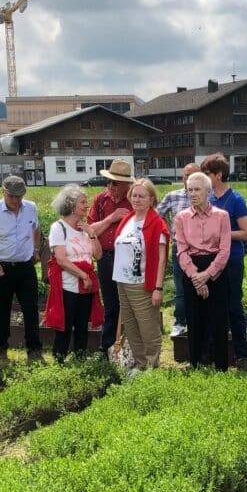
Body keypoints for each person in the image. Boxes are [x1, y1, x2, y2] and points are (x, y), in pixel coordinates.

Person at [201, 153, 247, 370]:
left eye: (207, 174)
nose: (203, 178)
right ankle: (212, 353)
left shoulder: (236, 200)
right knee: (212, 307)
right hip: (211, 261)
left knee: (234, 307)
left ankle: (241, 355)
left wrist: (222, 234)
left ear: (219, 174)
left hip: (231, 260)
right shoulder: (208, 199)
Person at [174, 171, 231, 370]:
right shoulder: (181, 218)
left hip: (216, 270)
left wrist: (207, 275)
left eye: (197, 189)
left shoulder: (222, 216)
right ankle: (196, 363)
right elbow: (181, 251)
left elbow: (225, 250)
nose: (193, 194)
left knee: (218, 320)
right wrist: (196, 277)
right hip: (191, 269)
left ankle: (221, 366)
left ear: (208, 192)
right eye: (190, 190)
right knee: (194, 319)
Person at [113, 179, 169, 371]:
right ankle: (140, 363)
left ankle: (152, 364)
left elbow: (162, 259)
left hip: (142, 283)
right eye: (134, 195)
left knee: (147, 326)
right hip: (122, 281)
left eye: (141, 196)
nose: (136, 199)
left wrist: (158, 287)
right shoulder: (127, 220)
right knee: (130, 325)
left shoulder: (156, 223)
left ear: (151, 199)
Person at [0, 175, 44, 362]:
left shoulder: (31, 208)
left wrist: (35, 250)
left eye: (19, 196)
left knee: (31, 308)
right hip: (2, 267)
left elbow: (36, 228)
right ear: (3, 192)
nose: (15, 200)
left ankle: (34, 350)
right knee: (2, 310)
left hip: (25, 265)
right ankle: (1, 350)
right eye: (11, 196)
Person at [44, 184, 103, 362]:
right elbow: (61, 259)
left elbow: (98, 255)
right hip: (68, 285)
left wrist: (92, 234)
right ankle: (59, 361)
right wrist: (83, 276)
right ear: (70, 206)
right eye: (82, 202)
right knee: (64, 326)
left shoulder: (85, 229)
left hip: (86, 287)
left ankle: (80, 359)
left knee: (82, 326)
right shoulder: (58, 228)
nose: (87, 205)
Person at [87, 159, 134, 358]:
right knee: (111, 304)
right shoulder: (101, 201)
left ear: (126, 184)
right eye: (109, 182)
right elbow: (89, 230)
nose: (110, 186)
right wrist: (111, 218)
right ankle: (105, 347)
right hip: (105, 258)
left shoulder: (134, 200)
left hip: (129, 259)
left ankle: (130, 346)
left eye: (115, 183)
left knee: (131, 303)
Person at [156, 163, 199, 338]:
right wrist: (168, 228)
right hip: (179, 248)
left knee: (199, 285)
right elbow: (157, 215)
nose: (187, 178)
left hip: (201, 250)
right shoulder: (173, 196)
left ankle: (198, 322)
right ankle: (180, 322)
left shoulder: (206, 196)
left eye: (191, 175)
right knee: (180, 287)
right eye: (185, 175)